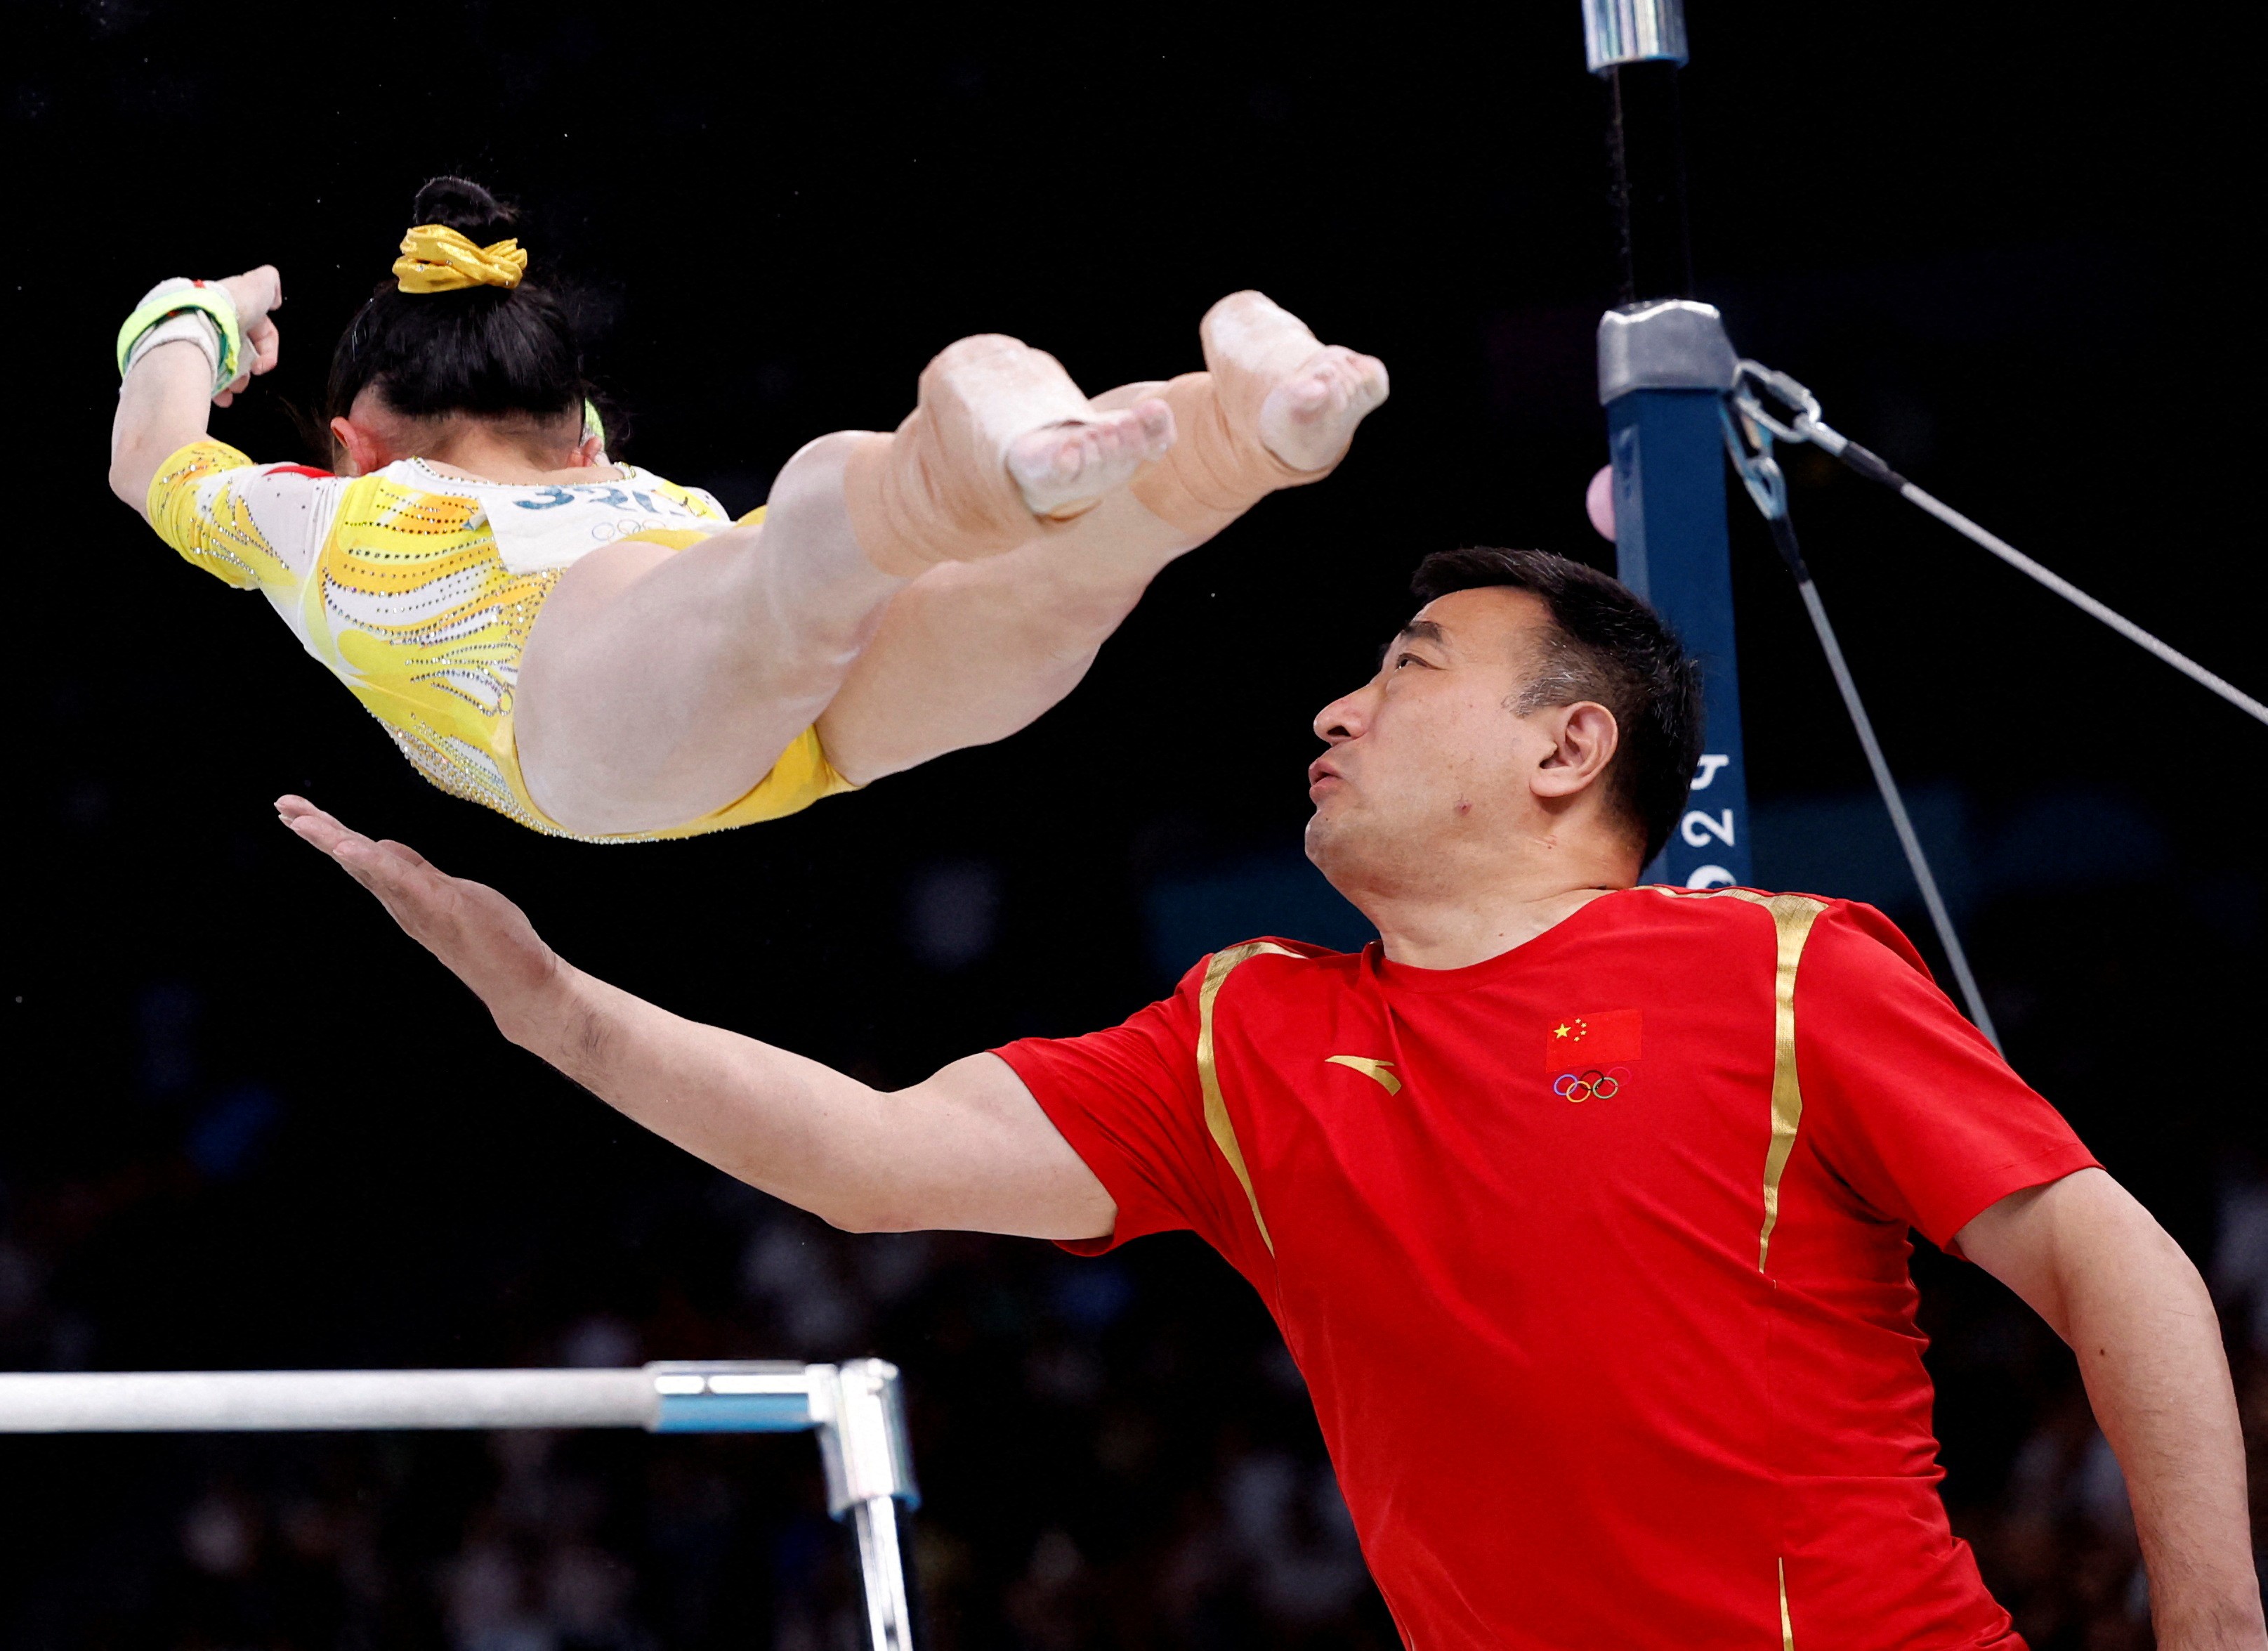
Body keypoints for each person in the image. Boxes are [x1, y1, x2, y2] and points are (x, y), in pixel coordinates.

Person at [271, 546, 2264, 1650]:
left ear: (1570, 743)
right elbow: (877, 1160)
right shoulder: (1243, 1038)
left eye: (1403, 664)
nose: (1332, 702)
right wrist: (556, 1010)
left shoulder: (1783, 965)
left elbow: (2119, 1265)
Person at [105, 176, 1387, 842]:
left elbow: (149, 458)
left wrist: (197, 315)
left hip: (607, 725)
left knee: (821, 565)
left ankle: (986, 440)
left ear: (350, 446)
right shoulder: (646, 495)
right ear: (586, 427)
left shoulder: (335, 520)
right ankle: (1237, 429)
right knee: (1034, 579)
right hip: (796, 723)